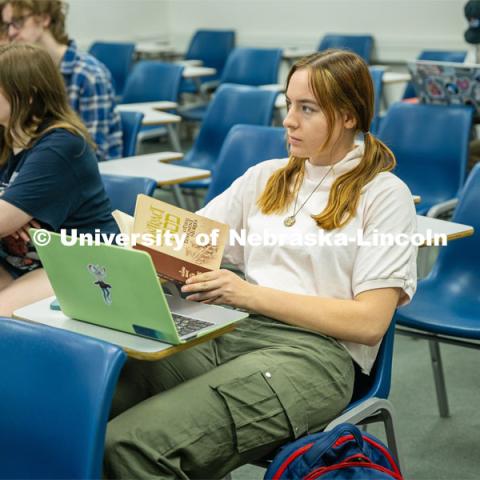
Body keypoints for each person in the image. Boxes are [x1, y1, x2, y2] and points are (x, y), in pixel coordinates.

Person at [104, 50, 417, 479]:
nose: (288, 120)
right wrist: (142, 252)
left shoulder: (384, 194)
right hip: (231, 332)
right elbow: (193, 248)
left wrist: (245, 293)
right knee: (89, 400)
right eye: (288, 105)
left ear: (347, 116)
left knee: (128, 447)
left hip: (314, 356)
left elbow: (369, 323)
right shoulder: (266, 177)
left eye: (306, 109)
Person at [0, 43, 118, 316]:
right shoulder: (7, 136)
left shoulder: (61, 146)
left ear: (27, 95)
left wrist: (9, 214)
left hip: (77, 264)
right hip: (21, 259)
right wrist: (10, 212)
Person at [0, 0, 123, 161]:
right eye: (7, 24)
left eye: (18, 22)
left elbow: (91, 152)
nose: (11, 32)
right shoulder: (24, 73)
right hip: (42, 163)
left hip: (85, 172)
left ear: (44, 19)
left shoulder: (88, 74)